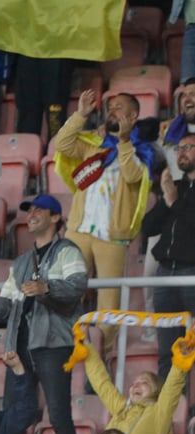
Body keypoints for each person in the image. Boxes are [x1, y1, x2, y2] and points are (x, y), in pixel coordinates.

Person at [0, 193, 87, 434]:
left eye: (38, 210)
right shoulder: (21, 262)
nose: (30, 215)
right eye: (29, 210)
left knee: (59, 415)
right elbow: (7, 309)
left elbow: (77, 286)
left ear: (55, 217)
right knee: (14, 416)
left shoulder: (68, 251)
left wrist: (47, 288)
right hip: (19, 347)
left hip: (53, 344)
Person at [55, 90, 149, 341]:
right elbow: (61, 144)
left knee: (109, 301)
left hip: (112, 235)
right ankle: (63, 345)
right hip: (79, 230)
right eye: (110, 106)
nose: (111, 110)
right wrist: (80, 115)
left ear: (133, 116)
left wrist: (124, 141)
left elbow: (133, 175)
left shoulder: (142, 150)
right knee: (65, 291)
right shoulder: (93, 144)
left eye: (118, 107)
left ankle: (103, 353)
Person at [82, 335, 193, 434]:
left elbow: (172, 387)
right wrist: (86, 344)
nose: (136, 386)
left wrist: (181, 361)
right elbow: (101, 381)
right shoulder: (121, 408)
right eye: (133, 383)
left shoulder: (159, 413)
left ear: (156, 390)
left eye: (144, 383)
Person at [143, 132, 195, 377]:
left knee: (189, 349)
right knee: (167, 352)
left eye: (188, 147)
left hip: (192, 275)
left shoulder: (176, 193)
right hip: (164, 275)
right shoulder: (175, 188)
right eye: (179, 148)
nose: (181, 152)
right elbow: (148, 228)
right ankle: (170, 401)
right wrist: (166, 200)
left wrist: (174, 202)